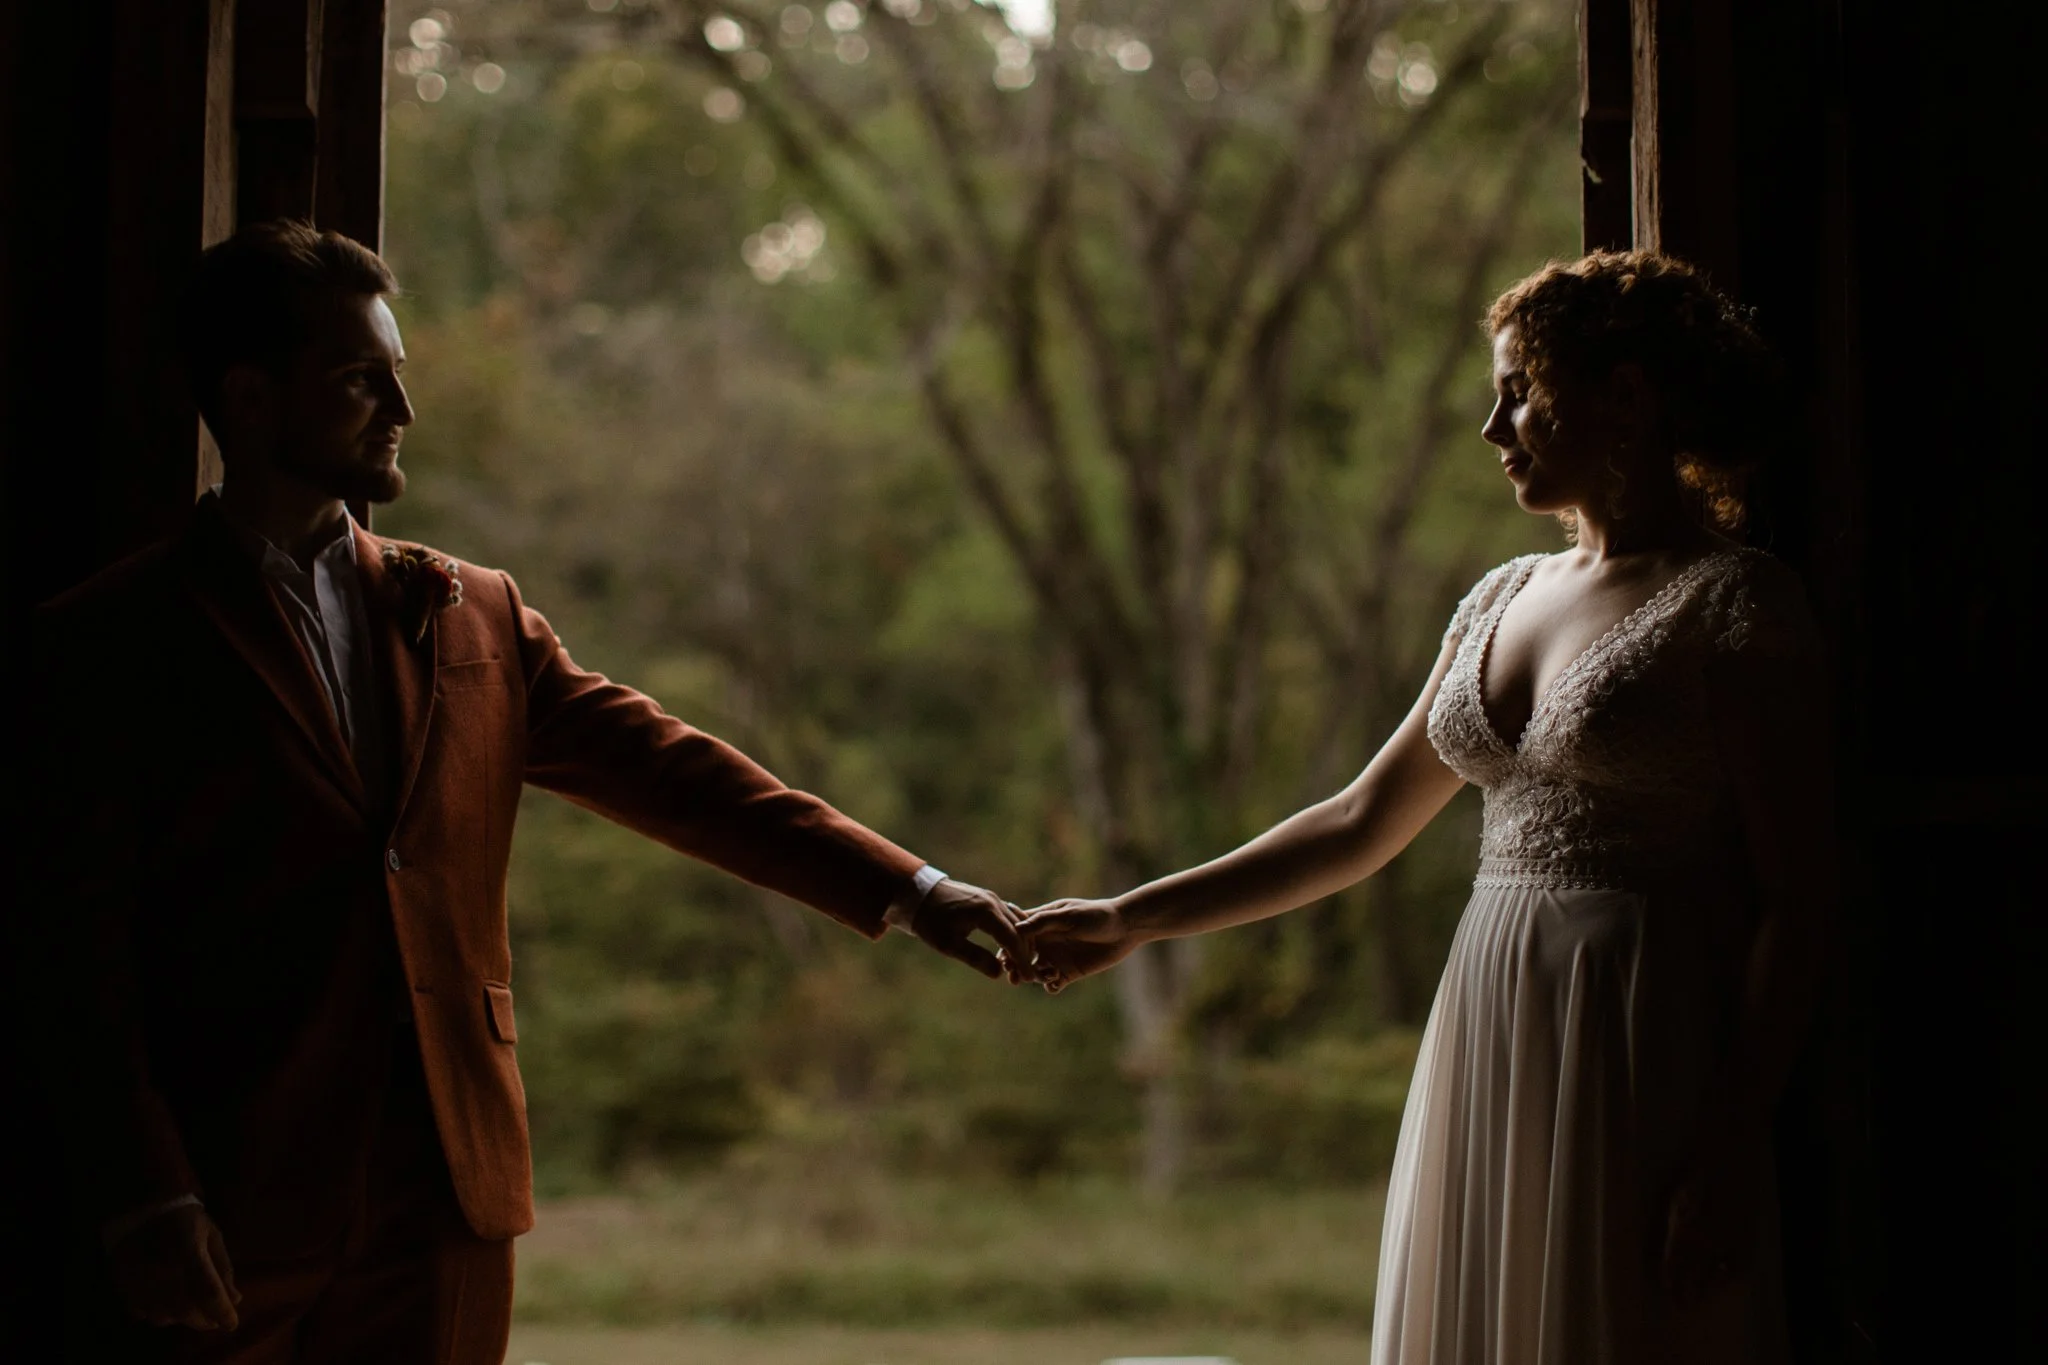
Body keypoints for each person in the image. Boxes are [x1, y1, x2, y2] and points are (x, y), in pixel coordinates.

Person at [27, 219, 1035, 1364]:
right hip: (227, 1193)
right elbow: (70, 960)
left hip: (444, 1200)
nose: (401, 414)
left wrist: (912, 888)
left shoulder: (474, 614)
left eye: (399, 377)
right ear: (250, 400)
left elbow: (675, 773)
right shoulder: (105, 645)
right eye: (362, 381)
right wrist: (144, 1196)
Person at [1018, 251, 1834, 1364]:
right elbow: (1359, 822)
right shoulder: (1503, 595)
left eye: (1519, 394)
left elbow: (1799, 896)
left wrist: (1735, 1137)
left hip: (1638, 1025)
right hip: (1491, 1014)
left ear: (1625, 397)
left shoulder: (1735, 603)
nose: (1492, 429)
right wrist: (1127, 918)